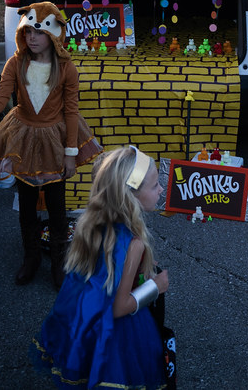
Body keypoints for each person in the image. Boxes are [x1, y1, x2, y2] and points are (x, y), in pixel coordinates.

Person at [0, 2, 103, 288]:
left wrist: (71, 153)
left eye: (39, 32)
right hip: (22, 136)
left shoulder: (66, 68)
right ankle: (31, 258)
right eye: (28, 31)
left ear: (54, 34)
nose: (32, 38)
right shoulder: (16, 62)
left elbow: (71, 112)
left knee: (57, 207)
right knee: (26, 205)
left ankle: (59, 262)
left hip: (54, 140)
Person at [31, 146, 170, 390]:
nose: (161, 189)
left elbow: (105, 269)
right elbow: (119, 307)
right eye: (154, 185)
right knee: (117, 373)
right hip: (114, 330)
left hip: (84, 315)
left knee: (86, 366)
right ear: (130, 196)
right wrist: (155, 287)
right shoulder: (134, 244)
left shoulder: (94, 224)